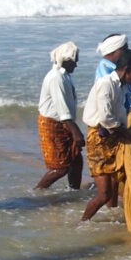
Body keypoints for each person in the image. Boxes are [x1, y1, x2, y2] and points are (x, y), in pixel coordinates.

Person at [81, 50, 131, 221]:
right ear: (127, 69)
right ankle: (82, 223)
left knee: (115, 184)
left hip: (113, 136)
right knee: (104, 193)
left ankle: (112, 217)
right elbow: (106, 118)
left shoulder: (122, 87)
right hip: (99, 139)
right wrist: (127, 133)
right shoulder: (106, 84)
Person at [35, 41, 85, 190]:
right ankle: (37, 192)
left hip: (64, 122)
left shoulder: (65, 76)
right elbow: (62, 108)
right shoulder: (56, 78)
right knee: (60, 168)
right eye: (74, 62)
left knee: (76, 161)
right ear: (66, 61)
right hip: (53, 124)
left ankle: (74, 193)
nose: (76, 65)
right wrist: (76, 132)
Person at [95, 33, 131, 114]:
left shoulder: (119, 68)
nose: (127, 53)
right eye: (125, 50)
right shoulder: (105, 73)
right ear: (113, 51)